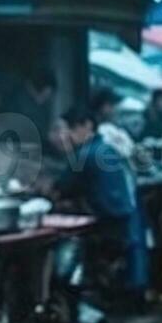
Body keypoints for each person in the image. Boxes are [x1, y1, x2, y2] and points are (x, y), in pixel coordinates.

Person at [57, 105, 149, 305]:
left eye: (70, 130)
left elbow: (62, 187)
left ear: (87, 126)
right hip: (122, 222)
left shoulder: (86, 155)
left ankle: (68, 292)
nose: (67, 136)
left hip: (107, 226)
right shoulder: (106, 149)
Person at [90, 86, 135, 160]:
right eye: (111, 105)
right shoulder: (91, 127)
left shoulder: (111, 127)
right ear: (103, 106)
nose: (113, 110)